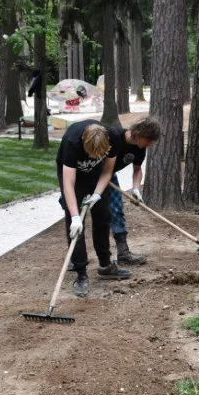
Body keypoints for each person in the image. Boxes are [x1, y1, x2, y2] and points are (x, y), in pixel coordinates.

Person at [57, 120, 132, 297]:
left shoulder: (113, 137)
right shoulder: (72, 142)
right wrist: (75, 217)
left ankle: (105, 265)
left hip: (97, 176)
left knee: (103, 215)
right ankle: (81, 273)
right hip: (75, 177)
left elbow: (107, 171)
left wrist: (98, 193)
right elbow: (68, 183)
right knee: (75, 226)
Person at [102, 117, 161, 266]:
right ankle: (75, 257)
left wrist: (136, 188)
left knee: (116, 210)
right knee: (78, 212)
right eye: (149, 140)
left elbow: (137, 170)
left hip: (110, 177)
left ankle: (123, 253)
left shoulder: (140, 149)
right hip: (89, 173)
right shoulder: (114, 137)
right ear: (140, 134)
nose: (150, 144)